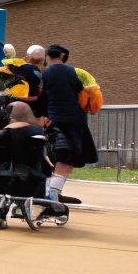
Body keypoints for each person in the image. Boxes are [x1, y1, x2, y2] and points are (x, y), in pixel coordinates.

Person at [36, 44, 97, 202]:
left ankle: (51, 194)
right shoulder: (75, 73)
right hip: (75, 122)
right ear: (63, 57)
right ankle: (52, 195)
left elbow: (42, 98)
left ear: (47, 56)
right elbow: (85, 95)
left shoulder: (44, 75)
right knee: (66, 160)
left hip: (53, 122)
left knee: (54, 159)